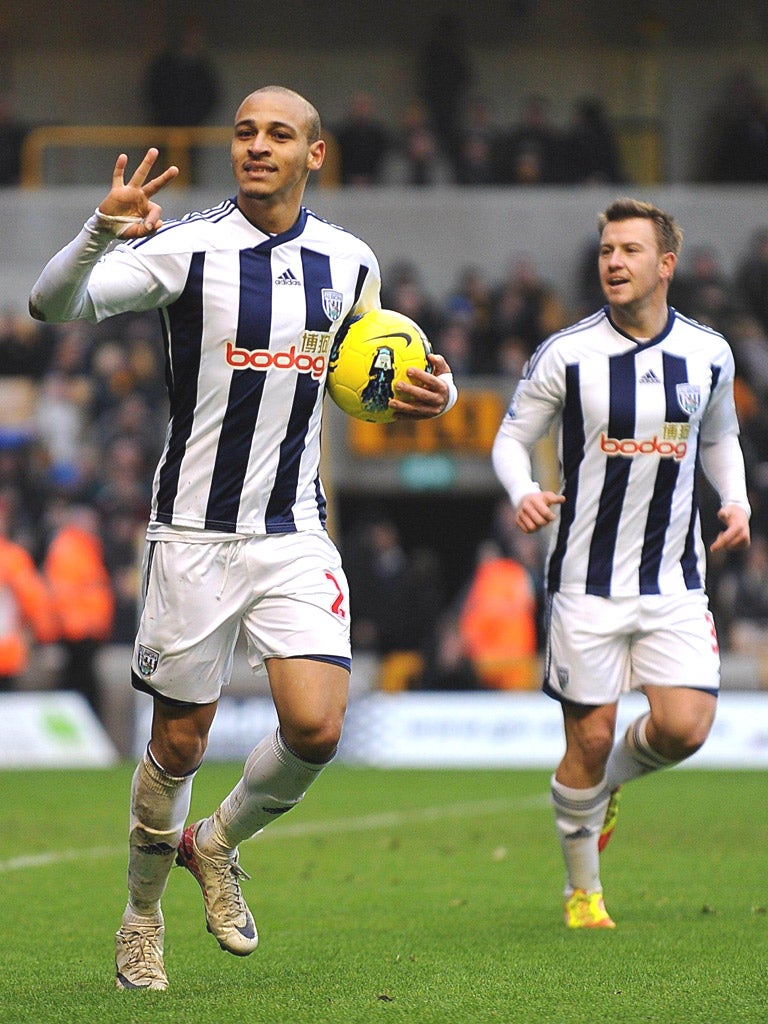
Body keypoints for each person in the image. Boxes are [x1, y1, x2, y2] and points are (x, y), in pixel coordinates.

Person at [29, 85, 457, 991]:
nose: (257, 146)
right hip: (192, 533)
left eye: (279, 135)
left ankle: (216, 842)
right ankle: (141, 919)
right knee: (179, 745)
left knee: (317, 725)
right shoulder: (187, 247)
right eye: (245, 132)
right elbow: (50, 305)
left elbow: (381, 369)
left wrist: (439, 394)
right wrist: (99, 231)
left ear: (316, 154)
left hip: (294, 530)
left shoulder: (351, 263)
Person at [492, 198, 750, 929]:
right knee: (592, 735)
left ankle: (604, 786)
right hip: (584, 580)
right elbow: (511, 441)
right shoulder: (567, 352)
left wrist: (736, 501)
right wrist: (524, 491)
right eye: (607, 249)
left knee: (685, 727)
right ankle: (584, 894)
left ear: (665, 264)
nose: (613, 261)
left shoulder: (708, 352)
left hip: (674, 578)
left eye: (630, 250)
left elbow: (720, 437)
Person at [43, 502, 115, 718]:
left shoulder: (85, 546)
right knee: (80, 685)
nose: (94, 524)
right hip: (78, 630)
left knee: (79, 682)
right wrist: (73, 625)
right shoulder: (69, 547)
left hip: (86, 629)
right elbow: (64, 592)